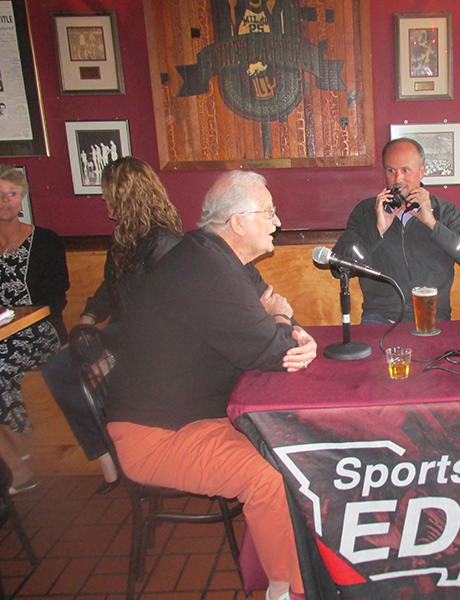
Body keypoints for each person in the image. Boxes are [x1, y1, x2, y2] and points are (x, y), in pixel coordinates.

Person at [106, 170, 316, 600]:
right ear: (238, 222)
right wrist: (282, 324)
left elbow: (279, 322)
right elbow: (273, 349)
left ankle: (297, 562)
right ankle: (285, 589)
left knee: (290, 451)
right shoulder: (205, 268)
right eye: (269, 212)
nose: (277, 221)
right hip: (157, 435)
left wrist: (288, 326)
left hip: (194, 415)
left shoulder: (219, 258)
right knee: (271, 477)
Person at [42, 157, 183, 495]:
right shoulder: (124, 237)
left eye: (108, 195)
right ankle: (105, 456)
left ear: (125, 195)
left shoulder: (163, 241)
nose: (105, 202)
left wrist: (114, 357)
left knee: (88, 375)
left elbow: (165, 315)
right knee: (58, 368)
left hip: (154, 341)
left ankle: (132, 453)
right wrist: (84, 325)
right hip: (125, 331)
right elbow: (109, 287)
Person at [332, 138, 460, 323]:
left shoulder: (445, 212)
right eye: (391, 171)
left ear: (422, 171)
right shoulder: (366, 212)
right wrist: (378, 231)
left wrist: (433, 225)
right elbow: (338, 267)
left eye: (406, 170)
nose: (398, 179)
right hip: (379, 318)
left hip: (432, 316)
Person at [0, 164, 69, 493]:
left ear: (21, 198)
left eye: (11, 194)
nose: (4, 201)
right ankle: (16, 459)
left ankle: (19, 462)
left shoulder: (45, 241)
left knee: (1, 362)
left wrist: (20, 318)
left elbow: (58, 298)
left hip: (40, 331)